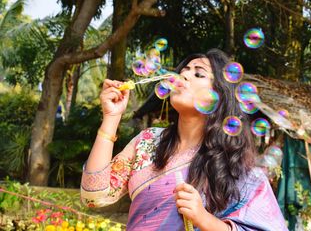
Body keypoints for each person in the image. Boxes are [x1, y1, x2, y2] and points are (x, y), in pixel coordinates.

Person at [80, 49, 288, 231]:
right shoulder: (148, 142)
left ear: (219, 96)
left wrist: (203, 219)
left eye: (198, 74)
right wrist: (111, 118)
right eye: (184, 71)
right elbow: (92, 196)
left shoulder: (237, 166)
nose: (184, 76)